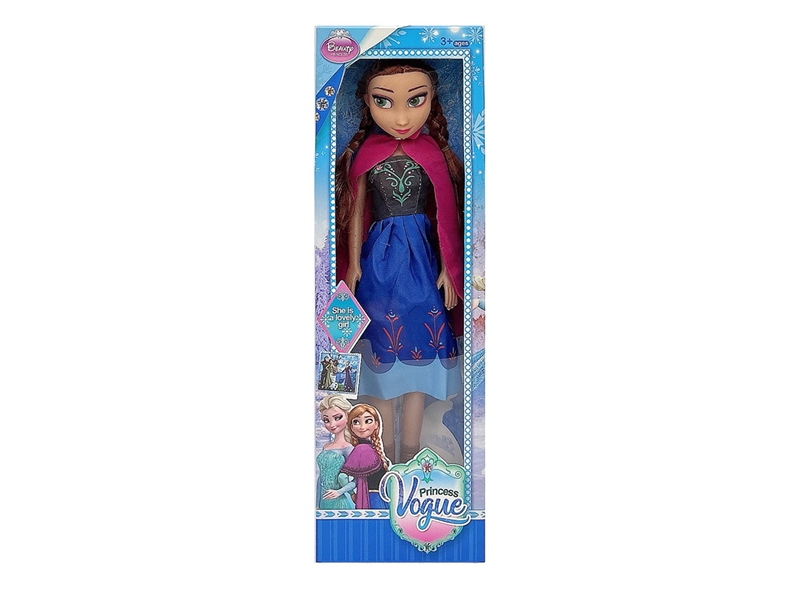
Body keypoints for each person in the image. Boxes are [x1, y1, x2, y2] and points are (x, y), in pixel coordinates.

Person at [335, 59, 464, 464]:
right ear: (367, 102)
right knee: (381, 363)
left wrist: (450, 270)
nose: (403, 117)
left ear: (431, 100)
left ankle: (408, 455)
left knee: (418, 366)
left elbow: (446, 216)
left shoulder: (432, 154)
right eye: (384, 101)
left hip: (423, 263)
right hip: (378, 262)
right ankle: (384, 455)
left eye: (416, 100)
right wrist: (352, 267)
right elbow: (356, 211)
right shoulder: (366, 154)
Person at [340, 403, 390, 509]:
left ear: (376, 424)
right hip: (372, 499)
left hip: (382, 498)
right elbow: (342, 476)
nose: (362, 427)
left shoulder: (372, 448)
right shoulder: (361, 449)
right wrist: (352, 494)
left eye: (368, 421)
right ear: (351, 427)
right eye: (356, 422)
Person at [316, 394, 356, 509]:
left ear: (347, 416)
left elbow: (358, 479)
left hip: (340, 501)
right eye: (326, 420)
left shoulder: (347, 448)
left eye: (337, 418)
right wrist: (317, 503)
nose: (332, 424)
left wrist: (340, 491)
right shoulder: (326, 446)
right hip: (323, 500)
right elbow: (321, 478)